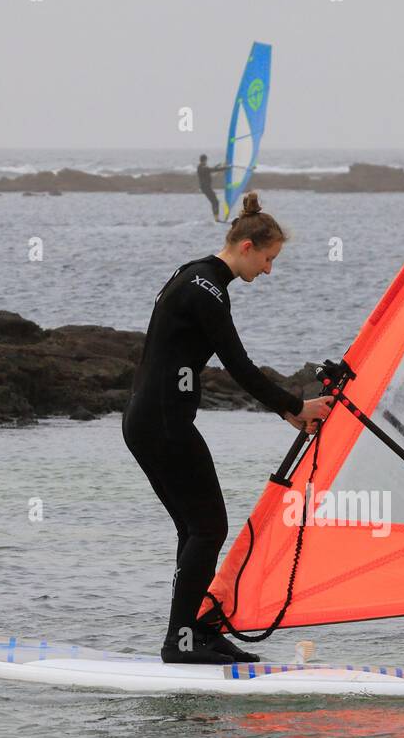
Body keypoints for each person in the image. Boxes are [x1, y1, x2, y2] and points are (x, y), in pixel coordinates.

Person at [123, 192, 332, 664]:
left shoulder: (194, 273)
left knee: (195, 530)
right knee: (208, 528)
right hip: (162, 423)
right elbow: (238, 365)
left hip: (148, 420)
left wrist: (287, 411)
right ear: (247, 247)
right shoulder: (207, 291)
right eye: (269, 259)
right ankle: (182, 642)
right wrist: (295, 404)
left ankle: (192, 631)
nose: (269, 271)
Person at [196, 153, 225, 220]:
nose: (207, 162)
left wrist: (218, 165)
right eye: (206, 160)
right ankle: (216, 218)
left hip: (205, 188)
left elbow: (211, 169)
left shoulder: (201, 167)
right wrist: (225, 168)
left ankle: (216, 218)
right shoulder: (203, 167)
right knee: (215, 202)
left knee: (214, 202)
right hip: (206, 188)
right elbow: (212, 169)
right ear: (205, 160)